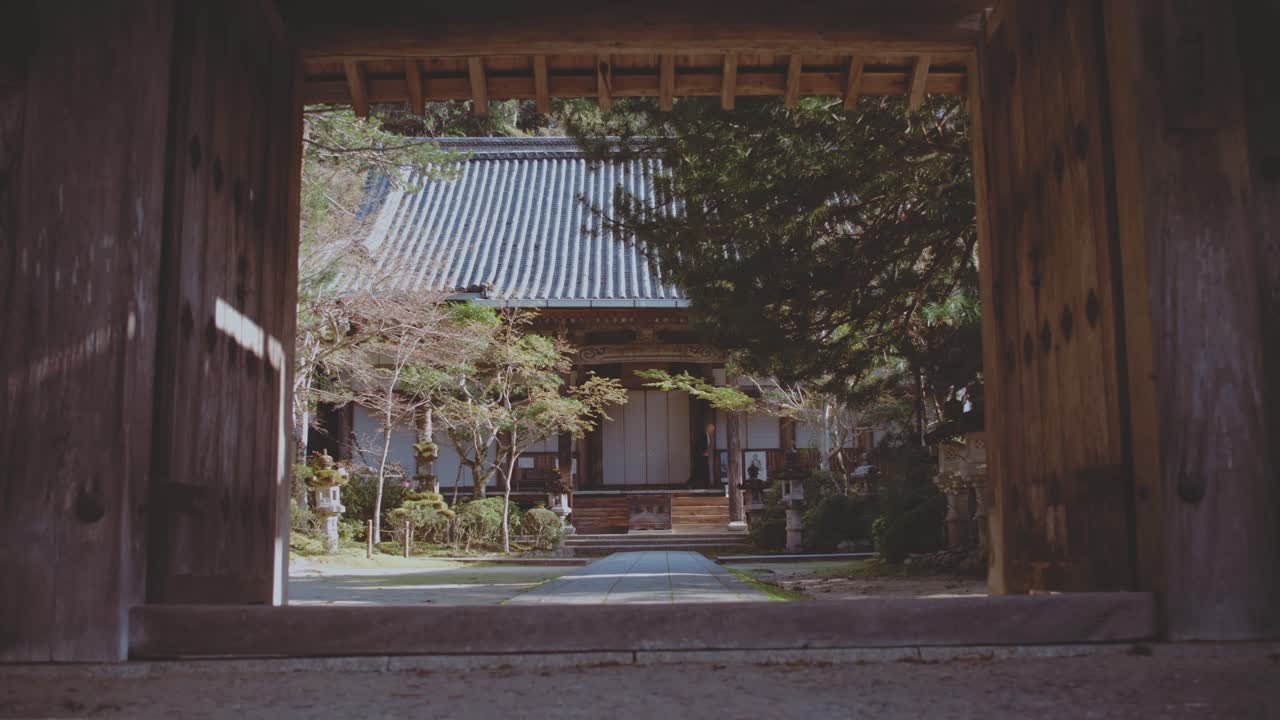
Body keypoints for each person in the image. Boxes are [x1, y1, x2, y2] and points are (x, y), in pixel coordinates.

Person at [694, 421, 716, 488]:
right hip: (701, 456)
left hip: (705, 456)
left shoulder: (708, 436)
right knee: (700, 471)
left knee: (705, 471)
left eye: (713, 430)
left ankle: (706, 485)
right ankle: (704, 485)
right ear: (708, 429)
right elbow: (698, 445)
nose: (712, 431)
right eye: (711, 429)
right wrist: (703, 452)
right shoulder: (703, 435)